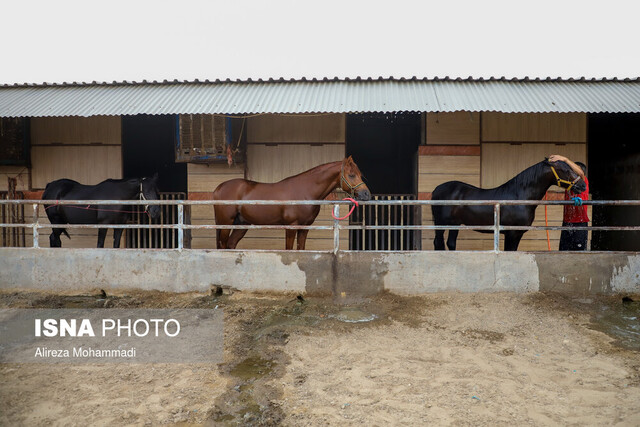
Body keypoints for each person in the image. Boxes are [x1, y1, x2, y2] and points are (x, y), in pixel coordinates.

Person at [548, 154, 589, 250]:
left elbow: (581, 173)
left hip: (580, 222)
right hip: (567, 222)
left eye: (574, 171)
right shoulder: (570, 184)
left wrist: (565, 159)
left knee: (578, 251)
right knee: (563, 250)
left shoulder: (583, 180)